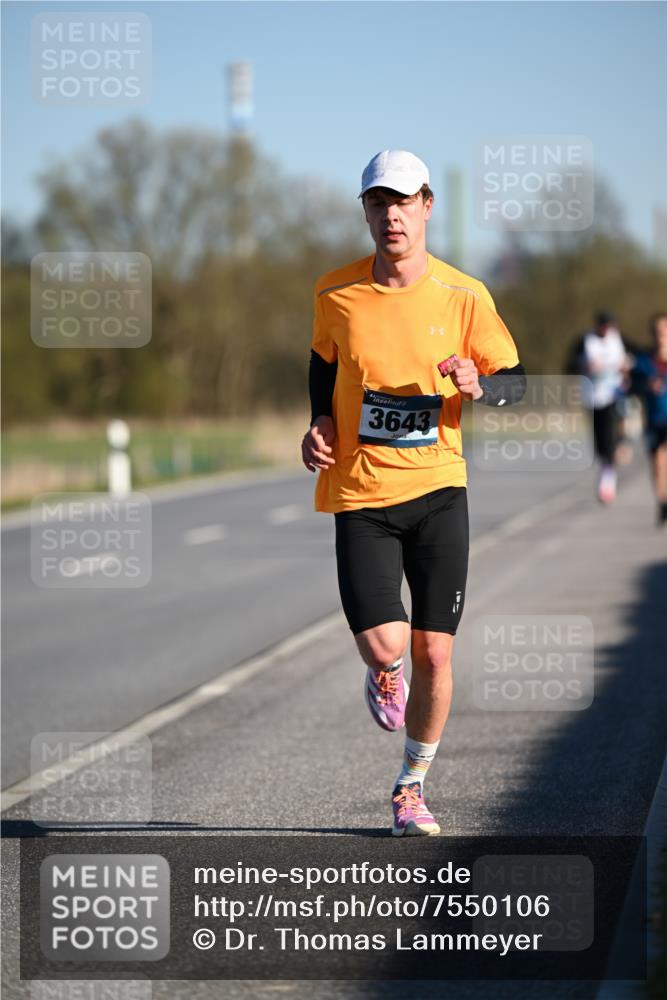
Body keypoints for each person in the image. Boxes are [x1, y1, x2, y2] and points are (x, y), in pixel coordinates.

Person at [301, 150, 526, 836]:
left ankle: (410, 786)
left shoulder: (464, 297)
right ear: (365, 211)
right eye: (377, 203)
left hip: (437, 492)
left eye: (403, 202)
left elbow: (515, 383)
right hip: (361, 494)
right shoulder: (336, 292)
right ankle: (382, 672)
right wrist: (317, 421)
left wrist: (477, 383)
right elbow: (321, 366)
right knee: (384, 645)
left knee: (435, 651)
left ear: (427, 206)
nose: (390, 215)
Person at [567, 311, 631, 504]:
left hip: (615, 394)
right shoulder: (584, 341)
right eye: (603, 326)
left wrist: (627, 366)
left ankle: (610, 473)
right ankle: (608, 465)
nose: (606, 330)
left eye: (609, 326)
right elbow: (569, 366)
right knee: (600, 440)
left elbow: (639, 358)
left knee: (611, 435)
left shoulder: (620, 339)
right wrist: (585, 365)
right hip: (593, 397)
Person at [632, 312, 667, 526]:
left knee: (664, 457)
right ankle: (662, 501)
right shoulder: (644, 360)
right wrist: (646, 386)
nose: (660, 335)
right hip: (653, 419)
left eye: (664, 331)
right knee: (655, 463)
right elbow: (631, 385)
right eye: (657, 332)